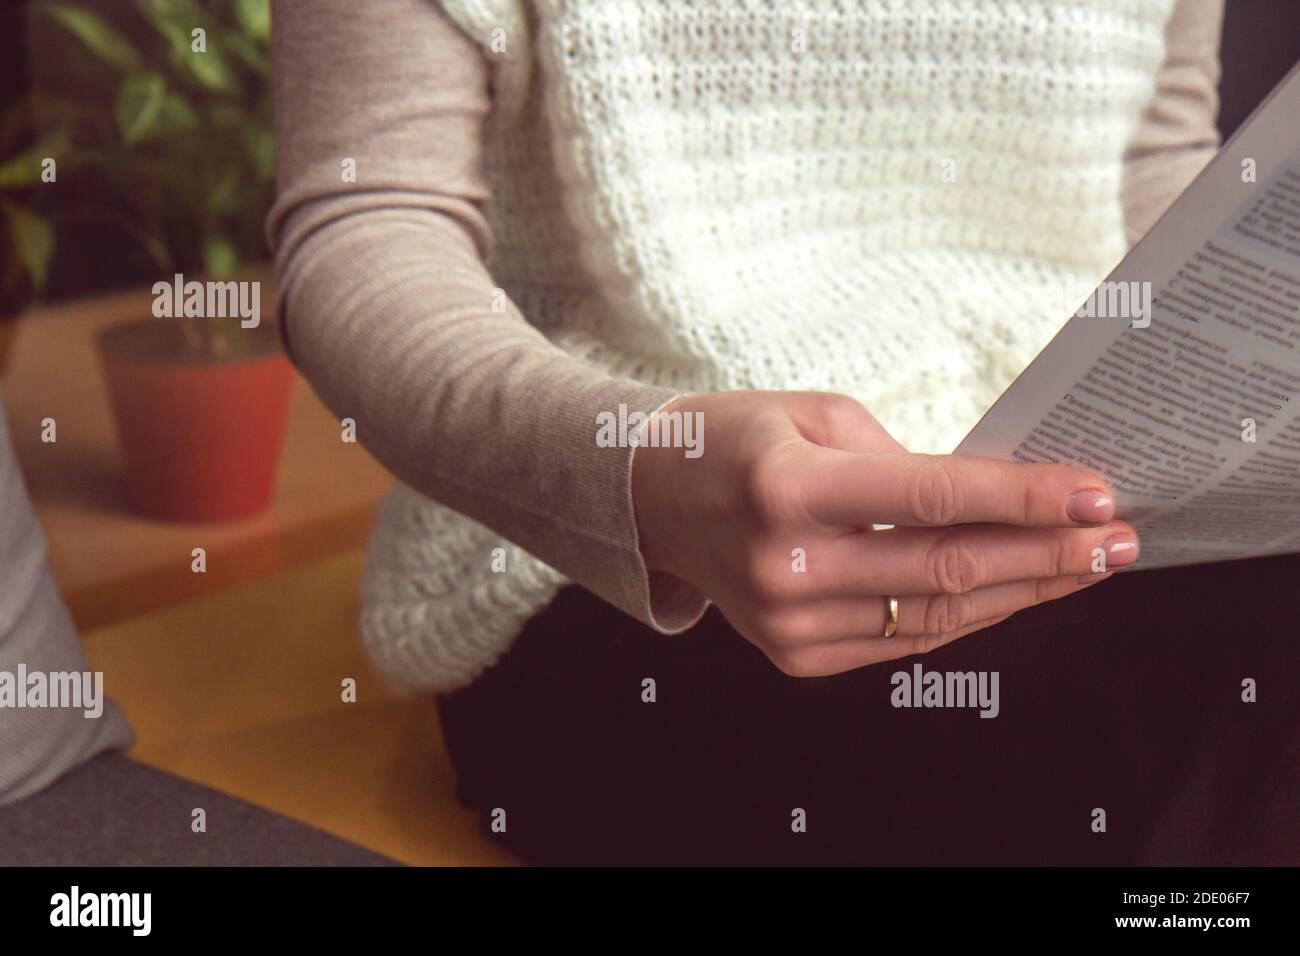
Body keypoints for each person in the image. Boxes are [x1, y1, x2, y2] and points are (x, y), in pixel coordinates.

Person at [269, 0, 1300, 864]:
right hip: (644, 560)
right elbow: (365, 224)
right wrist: (642, 473)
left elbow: (1153, 172)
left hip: (1091, 487)